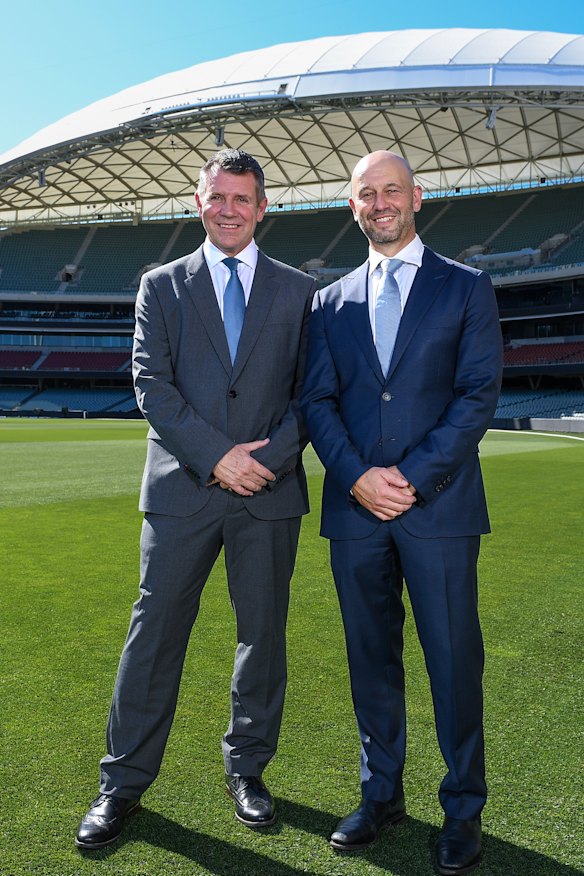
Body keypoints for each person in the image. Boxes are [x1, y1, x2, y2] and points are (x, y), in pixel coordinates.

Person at [76, 149, 317, 849]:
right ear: (199, 200)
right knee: (153, 637)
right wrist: (218, 458)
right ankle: (120, 784)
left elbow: (313, 393)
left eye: (243, 198)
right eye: (218, 197)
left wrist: (262, 462)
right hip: (183, 490)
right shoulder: (162, 284)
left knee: (261, 636)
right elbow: (152, 384)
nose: (230, 209)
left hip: (268, 493)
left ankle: (248, 770)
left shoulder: (301, 291)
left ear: (263, 207)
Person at [300, 151, 503, 875]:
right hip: (355, 514)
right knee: (371, 662)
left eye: (391, 190)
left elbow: (477, 396)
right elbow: (317, 401)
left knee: (453, 662)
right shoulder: (327, 302)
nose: (380, 203)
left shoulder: (467, 288)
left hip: (439, 510)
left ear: (416, 196)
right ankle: (381, 794)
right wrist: (357, 478)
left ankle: (463, 809)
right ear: (352, 206)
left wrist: (410, 479)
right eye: (366, 194)